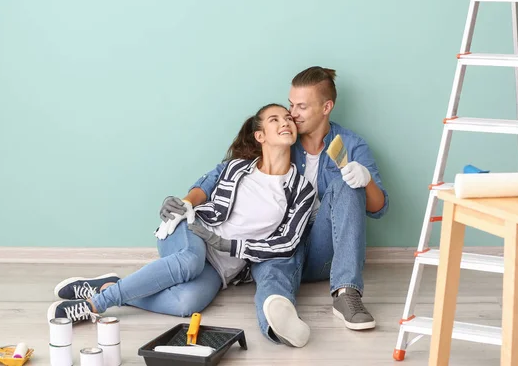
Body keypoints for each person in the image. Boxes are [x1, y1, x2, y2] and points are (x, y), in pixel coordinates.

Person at [47, 103, 316, 346]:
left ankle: (113, 286)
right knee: (190, 261)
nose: (285, 122)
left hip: (223, 266)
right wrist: (183, 204)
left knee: (187, 303)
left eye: (288, 118)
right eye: (274, 119)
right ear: (260, 136)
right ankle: (96, 304)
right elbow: (201, 188)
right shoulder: (236, 169)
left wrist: (227, 245)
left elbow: (288, 243)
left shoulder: (301, 190)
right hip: (192, 231)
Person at [191, 66, 389, 347]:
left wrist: (365, 179)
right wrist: (187, 203)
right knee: (272, 279)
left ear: (326, 107)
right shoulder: (282, 138)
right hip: (278, 246)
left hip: (322, 249)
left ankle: (346, 294)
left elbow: (379, 207)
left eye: (302, 107)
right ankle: (278, 326)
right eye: (291, 105)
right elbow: (220, 175)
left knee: (345, 184)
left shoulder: (352, 145)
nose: (293, 114)